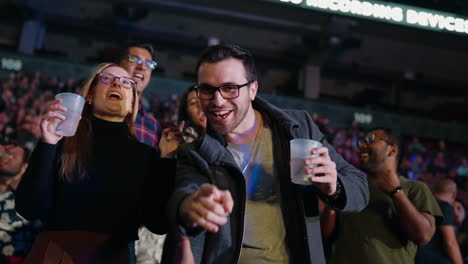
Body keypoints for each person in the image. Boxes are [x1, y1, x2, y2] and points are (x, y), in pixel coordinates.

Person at [168, 43, 369, 264]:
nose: (217, 101)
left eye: (230, 88)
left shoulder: (297, 128)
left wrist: (334, 187)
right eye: (207, 89)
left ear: (253, 89)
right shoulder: (195, 153)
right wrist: (189, 205)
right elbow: (183, 193)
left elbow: (359, 187)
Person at [14, 63, 175, 263]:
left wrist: (167, 161)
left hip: (114, 256)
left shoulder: (147, 156)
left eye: (126, 83)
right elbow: (29, 208)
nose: (117, 83)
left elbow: (158, 224)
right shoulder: (61, 141)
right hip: (55, 253)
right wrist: (47, 144)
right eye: (106, 78)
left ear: (133, 104)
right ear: (89, 96)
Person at [325, 128, 442, 264]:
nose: (362, 146)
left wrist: (396, 192)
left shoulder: (415, 188)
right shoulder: (351, 185)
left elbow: (424, 236)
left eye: (370, 140)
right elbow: (327, 235)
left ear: (392, 150)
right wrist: (331, 196)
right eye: (361, 142)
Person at [161, 86, 207, 264]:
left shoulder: (232, 142)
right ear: (185, 111)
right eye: (194, 103)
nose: (201, 107)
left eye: (204, 100)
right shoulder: (183, 143)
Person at [0, 144, 41, 263]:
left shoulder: (26, 199)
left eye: (13, 156)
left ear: (24, 167)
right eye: (6, 149)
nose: (5, 156)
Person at [118, 42, 162, 148]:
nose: (142, 67)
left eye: (149, 64)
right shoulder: (92, 110)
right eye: (133, 59)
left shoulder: (154, 127)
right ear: (118, 65)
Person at [416, 178, 464, 264]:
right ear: (454, 194)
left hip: (415, 255)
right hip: (432, 258)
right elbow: (451, 243)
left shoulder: (423, 201)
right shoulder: (445, 207)